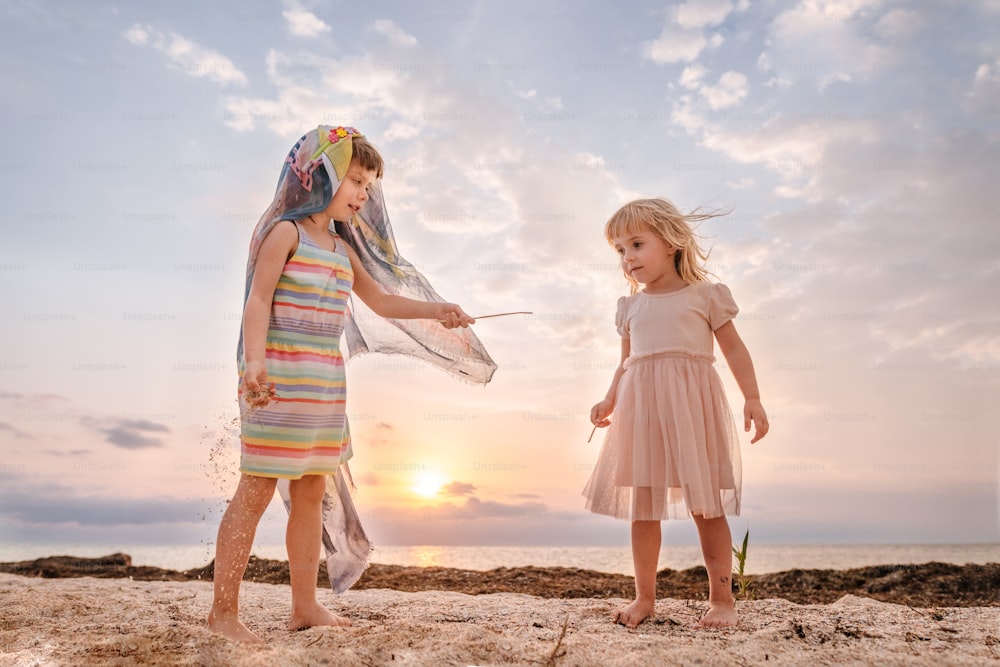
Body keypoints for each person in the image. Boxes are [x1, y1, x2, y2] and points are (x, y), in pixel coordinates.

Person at [208, 126, 496, 644]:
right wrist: (253, 364)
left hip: (325, 387)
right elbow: (256, 301)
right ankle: (223, 613)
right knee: (252, 493)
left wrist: (440, 311)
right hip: (275, 383)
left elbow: (383, 302)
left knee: (311, 492)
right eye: (356, 180)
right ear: (320, 174)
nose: (365, 193)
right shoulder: (286, 233)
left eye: (370, 185)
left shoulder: (342, 248)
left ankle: (304, 606)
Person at [583, 197, 768, 630]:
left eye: (636, 244)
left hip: (692, 408)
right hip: (641, 410)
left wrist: (753, 397)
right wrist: (609, 399)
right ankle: (644, 598)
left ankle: (722, 601)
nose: (628, 258)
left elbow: (735, 349)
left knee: (707, 507)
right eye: (620, 251)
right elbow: (626, 362)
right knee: (643, 507)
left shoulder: (705, 296)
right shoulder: (630, 307)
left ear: (671, 243)